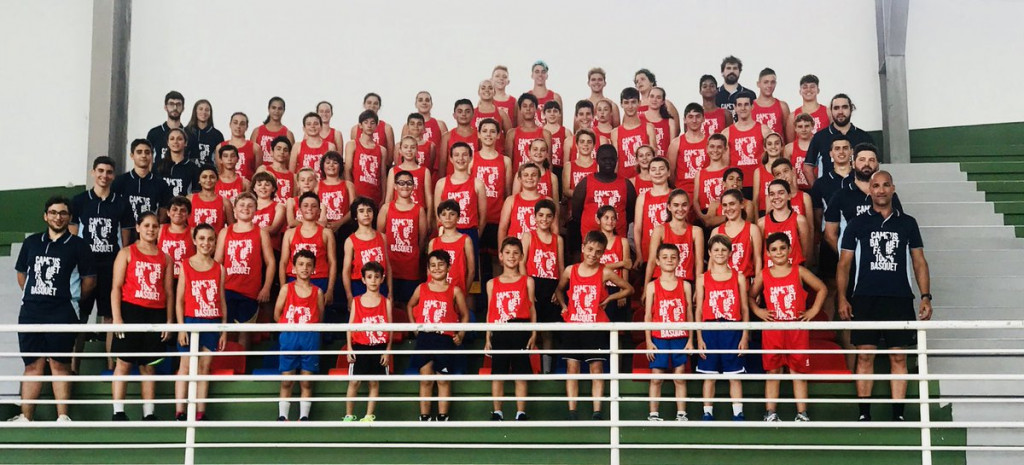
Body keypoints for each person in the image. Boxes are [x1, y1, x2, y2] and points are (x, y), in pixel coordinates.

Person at [837, 171, 932, 422]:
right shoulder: (857, 223)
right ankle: (864, 415)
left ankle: (898, 415)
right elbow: (844, 264)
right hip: (865, 298)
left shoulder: (907, 223)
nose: (880, 190)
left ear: (893, 189)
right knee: (865, 355)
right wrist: (842, 298)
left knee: (898, 356)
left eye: (885, 185)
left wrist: (925, 296)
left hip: (898, 298)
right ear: (869, 189)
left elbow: (919, 261)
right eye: (876, 186)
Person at [9, 196, 96, 422]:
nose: (58, 217)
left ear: (69, 217)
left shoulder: (79, 245)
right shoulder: (32, 242)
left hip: (62, 312)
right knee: (32, 365)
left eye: (63, 213)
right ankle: (25, 417)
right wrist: (36, 296)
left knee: (60, 364)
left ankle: (63, 417)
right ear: (45, 216)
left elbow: (89, 282)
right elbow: (22, 275)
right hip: (31, 312)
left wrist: (68, 299)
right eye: (54, 212)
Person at [554, 231, 633, 420]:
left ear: (603, 253)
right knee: (572, 368)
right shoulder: (570, 270)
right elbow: (559, 289)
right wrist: (564, 306)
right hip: (574, 326)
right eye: (589, 249)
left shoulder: (605, 271)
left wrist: (610, 298)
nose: (592, 254)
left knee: (596, 368)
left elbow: (629, 288)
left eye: (598, 252)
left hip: (595, 326)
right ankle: (572, 411)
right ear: (583, 248)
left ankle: (597, 411)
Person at [749, 232, 827, 422]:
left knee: (798, 371)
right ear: (768, 253)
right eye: (774, 249)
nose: (779, 252)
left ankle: (802, 413)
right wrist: (759, 312)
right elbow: (750, 296)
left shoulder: (799, 271)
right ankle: (770, 412)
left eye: (782, 248)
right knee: (773, 371)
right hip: (773, 331)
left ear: (790, 249)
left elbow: (822, 289)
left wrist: (812, 311)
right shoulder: (764, 274)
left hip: (796, 330)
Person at [69, 157, 133, 373]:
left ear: (114, 175)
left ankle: (110, 365)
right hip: (86, 267)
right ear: (93, 172)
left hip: (110, 266)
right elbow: (73, 236)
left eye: (109, 172)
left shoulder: (121, 203)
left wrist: (121, 264)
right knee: (81, 316)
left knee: (109, 316)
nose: (104, 176)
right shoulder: (79, 201)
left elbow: (125, 239)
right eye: (101, 171)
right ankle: (73, 367)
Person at [110, 212, 173, 421]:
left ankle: (149, 413)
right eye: (146, 225)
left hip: (155, 313)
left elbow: (169, 292)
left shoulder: (165, 257)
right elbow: (116, 287)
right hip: (130, 311)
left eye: (155, 226)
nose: (151, 229)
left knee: (149, 365)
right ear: (138, 227)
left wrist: (169, 321)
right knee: (124, 363)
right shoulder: (127, 252)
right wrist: (117, 319)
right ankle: (118, 411)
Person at [172, 224, 227, 422]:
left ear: (215, 242)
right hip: (190, 320)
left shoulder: (219, 268)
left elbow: (221, 299)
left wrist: (223, 329)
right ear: (195, 240)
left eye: (210, 239)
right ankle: (180, 411)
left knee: (205, 366)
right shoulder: (186, 265)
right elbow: (179, 300)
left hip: (212, 322)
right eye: (202, 238)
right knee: (185, 366)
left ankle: (200, 412)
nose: (206, 243)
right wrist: (181, 328)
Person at [407, 250, 471, 421]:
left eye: (441, 264)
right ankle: (424, 415)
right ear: (428, 269)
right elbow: (410, 305)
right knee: (426, 378)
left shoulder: (455, 291)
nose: (437, 268)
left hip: (445, 339)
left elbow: (464, 314)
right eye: (433, 265)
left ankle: (443, 415)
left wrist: (461, 333)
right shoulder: (421, 288)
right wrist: (414, 327)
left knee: (443, 379)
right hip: (425, 337)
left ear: (449, 267)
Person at [694, 234, 750, 421]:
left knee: (735, 375)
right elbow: (699, 309)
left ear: (730, 253)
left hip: (732, 328)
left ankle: (738, 412)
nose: (719, 253)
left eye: (723, 250)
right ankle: (707, 412)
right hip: (709, 329)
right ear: (709, 252)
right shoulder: (703, 278)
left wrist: (744, 336)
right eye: (716, 250)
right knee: (708, 374)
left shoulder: (739, 277)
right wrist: (699, 337)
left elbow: (744, 308)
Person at [485, 237, 537, 421]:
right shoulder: (492, 283)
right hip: (499, 329)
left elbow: (531, 308)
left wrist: (533, 332)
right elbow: (491, 310)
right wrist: (487, 337)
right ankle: (497, 411)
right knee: (497, 373)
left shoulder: (527, 281)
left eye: (516, 253)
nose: (511, 256)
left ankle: (520, 412)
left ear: (522, 256)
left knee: (520, 372)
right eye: (507, 252)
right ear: (500, 256)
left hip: (520, 328)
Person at [216, 193, 276, 350]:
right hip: (227, 288)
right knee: (226, 329)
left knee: (245, 331)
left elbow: (270, 262)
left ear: (256, 210)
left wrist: (266, 288)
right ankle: (226, 366)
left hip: (250, 290)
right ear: (234, 210)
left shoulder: (261, 232)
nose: (246, 208)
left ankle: (241, 366)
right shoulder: (225, 232)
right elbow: (217, 263)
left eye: (250, 206)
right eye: (242, 205)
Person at [824, 143, 904, 258]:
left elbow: (898, 226)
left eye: (871, 160)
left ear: (877, 165)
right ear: (853, 163)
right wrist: (848, 257)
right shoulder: (840, 195)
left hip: (883, 260)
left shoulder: (889, 195)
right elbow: (830, 234)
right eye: (862, 160)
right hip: (853, 263)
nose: (866, 164)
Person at [274, 249, 325, 422]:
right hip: (289, 338)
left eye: (309, 265)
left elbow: (320, 316)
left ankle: (304, 417)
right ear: (294, 268)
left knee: (307, 381)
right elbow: (277, 314)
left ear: (314, 269)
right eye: (301, 264)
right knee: (287, 380)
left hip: (309, 339)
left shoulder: (317, 292)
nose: (304, 268)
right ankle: (283, 416)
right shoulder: (286, 289)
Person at [644, 244, 694, 421]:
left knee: (679, 377)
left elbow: (689, 313)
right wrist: (649, 342)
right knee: (656, 377)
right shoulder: (652, 286)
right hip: (659, 337)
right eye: (664, 257)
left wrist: (691, 339)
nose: (669, 260)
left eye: (673, 257)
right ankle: (653, 414)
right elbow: (648, 315)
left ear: (679, 260)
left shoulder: (685, 285)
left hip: (680, 336)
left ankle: (681, 413)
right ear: (657, 261)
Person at [344, 261, 392, 423]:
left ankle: (369, 416)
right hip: (359, 346)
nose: (373, 280)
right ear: (363, 279)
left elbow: (391, 328)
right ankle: (349, 415)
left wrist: (387, 350)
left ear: (382, 279)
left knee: (373, 382)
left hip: (378, 347)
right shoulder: (356, 301)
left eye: (376, 277)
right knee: (354, 381)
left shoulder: (386, 302)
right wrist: (350, 348)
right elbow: (350, 327)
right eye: (369, 277)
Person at [520, 199, 563, 373]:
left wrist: (558, 289)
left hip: (551, 285)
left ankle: (546, 371)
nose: (544, 219)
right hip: (532, 284)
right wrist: (527, 287)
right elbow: (522, 263)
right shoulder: (528, 236)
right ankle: (528, 369)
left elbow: (560, 266)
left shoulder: (557, 239)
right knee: (530, 328)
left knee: (547, 332)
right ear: (535, 217)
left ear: (553, 218)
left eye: (548, 216)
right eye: (541, 215)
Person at [377, 170, 427, 310]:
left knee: (408, 304)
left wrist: (415, 255)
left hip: (410, 267)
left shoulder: (419, 210)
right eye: (401, 183)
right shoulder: (386, 208)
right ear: (395, 186)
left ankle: (408, 333)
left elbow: (422, 238)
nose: (405, 186)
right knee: (390, 303)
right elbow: (380, 236)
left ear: (413, 186)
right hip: (391, 264)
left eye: (409, 183)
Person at [803, 94, 875, 188]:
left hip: (858, 194)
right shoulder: (820, 137)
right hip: (829, 196)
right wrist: (819, 191)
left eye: (844, 107)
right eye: (836, 108)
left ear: (851, 109)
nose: (840, 112)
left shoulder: (864, 137)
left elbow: (874, 166)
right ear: (831, 111)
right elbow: (807, 168)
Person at [280, 192, 337, 302]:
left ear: (319, 211)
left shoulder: (327, 233)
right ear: (300, 210)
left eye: (314, 206)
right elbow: (283, 262)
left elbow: (332, 262)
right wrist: (283, 287)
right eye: (305, 205)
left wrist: (330, 289)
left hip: (320, 279)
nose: (309, 209)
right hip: (294, 278)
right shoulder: (290, 233)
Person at [433, 142, 487, 259]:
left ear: (470, 157)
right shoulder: (441, 184)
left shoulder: (478, 184)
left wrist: (476, 235)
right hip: (447, 233)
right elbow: (437, 216)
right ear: (451, 159)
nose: (461, 158)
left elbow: (482, 216)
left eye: (464, 155)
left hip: (470, 232)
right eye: (456, 155)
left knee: (471, 271)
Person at [573, 144, 636, 243]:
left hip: (617, 240)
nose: (608, 162)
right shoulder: (585, 182)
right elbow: (576, 213)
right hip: (591, 241)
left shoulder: (626, 184)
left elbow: (631, 213)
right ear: (597, 160)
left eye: (611, 159)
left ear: (617, 160)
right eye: (604, 159)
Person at [473, 119, 513, 271]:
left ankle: (496, 293)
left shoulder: (505, 161)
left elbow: (508, 192)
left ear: (498, 135)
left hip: (498, 219)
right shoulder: (472, 160)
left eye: (492, 131)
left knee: (499, 260)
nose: (488, 134)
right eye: (484, 131)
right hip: (477, 219)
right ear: (479, 134)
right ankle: (479, 295)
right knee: (478, 261)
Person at [644, 189, 705, 285]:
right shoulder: (660, 230)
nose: (680, 209)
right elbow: (652, 261)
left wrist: (698, 287)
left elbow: (699, 263)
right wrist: (646, 287)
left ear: (689, 206)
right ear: (669, 207)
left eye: (684, 205)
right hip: (661, 281)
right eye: (676, 205)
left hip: (685, 281)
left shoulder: (696, 231)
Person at [342, 198, 393, 303]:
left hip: (380, 284)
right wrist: (349, 295)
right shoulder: (350, 241)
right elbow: (346, 271)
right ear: (355, 216)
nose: (366, 214)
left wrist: (390, 291)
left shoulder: (382, 237)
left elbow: (387, 266)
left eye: (369, 210)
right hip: (359, 285)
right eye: (361, 211)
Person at [721, 95, 771, 192]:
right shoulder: (726, 133)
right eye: (739, 105)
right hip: (736, 185)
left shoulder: (764, 129)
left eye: (746, 104)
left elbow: (770, 158)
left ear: (752, 107)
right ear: (735, 108)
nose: (743, 108)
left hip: (759, 183)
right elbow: (725, 164)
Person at [758, 180, 811, 268]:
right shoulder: (762, 223)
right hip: (771, 273)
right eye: (772, 194)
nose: (776, 197)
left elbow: (806, 252)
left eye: (781, 193)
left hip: (794, 271)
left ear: (789, 196)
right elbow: (759, 254)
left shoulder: (799, 220)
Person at [428, 200, 475, 298]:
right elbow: (429, 271)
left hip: (458, 292)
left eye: (452, 214)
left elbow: (471, 270)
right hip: (437, 294)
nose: (448, 218)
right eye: (444, 214)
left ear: (458, 217)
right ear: (439, 218)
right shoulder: (433, 242)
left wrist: (464, 292)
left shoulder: (465, 240)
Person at [713, 189, 763, 278]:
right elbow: (712, 263)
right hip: (723, 285)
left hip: (746, 284)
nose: (728, 208)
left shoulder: (752, 229)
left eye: (732, 204)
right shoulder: (716, 231)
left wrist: (756, 286)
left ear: (742, 204)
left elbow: (757, 260)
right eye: (725, 205)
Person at [634, 157, 672, 269]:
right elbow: (637, 228)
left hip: (671, 251)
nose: (658, 172)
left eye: (661, 169)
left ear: (668, 172)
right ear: (649, 173)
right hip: (648, 251)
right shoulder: (642, 197)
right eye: (654, 169)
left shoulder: (674, 195)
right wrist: (639, 254)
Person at [611, 87, 656, 179]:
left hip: (646, 180)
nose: (630, 106)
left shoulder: (648, 127)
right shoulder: (615, 132)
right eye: (626, 103)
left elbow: (654, 157)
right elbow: (616, 161)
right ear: (621, 104)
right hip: (624, 180)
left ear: (639, 103)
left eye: (633, 102)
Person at [345, 110, 387, 206]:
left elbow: (383, 176)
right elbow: (347, 170)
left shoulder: (382, 150)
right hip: (357, 195)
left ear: (376, 126)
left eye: (372, 123)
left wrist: (384, 198)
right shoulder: (352, 144)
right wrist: (351, 194)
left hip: (375, 196)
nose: (369, 125)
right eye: (366, 122)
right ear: (360, 125)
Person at [597, 206, 632, 322]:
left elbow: (627, 268)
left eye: (613, 218)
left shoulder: (623, 242)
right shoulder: (595, 241)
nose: (610, 221)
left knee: (620, 326)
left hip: (618, 287)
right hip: (600, 287)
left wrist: (623, 291)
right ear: (598, 220)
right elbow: (595, 267)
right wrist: (621, 263)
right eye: (606, 218)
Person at [499, 163, 549, 244]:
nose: (530, 178)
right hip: (515, 250)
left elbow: (554, 230)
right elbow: (502, 229)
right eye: (526, 175)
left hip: (538, 249)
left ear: (539, 179)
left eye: (534, 175)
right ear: (519, 179)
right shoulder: (510, 200)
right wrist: (501, 251)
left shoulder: (547, 201)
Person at [668, 103, 711, 196]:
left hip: (705, 192)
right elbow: (670, 173)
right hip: (684, 193)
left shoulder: (710, 142)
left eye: (698, 116)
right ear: (684, 120)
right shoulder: (676, 143)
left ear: (703, 119)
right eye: (690, 117)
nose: (694, 120)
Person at [385, 136, 432, 210]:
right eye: (406, 147)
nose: (409, 150)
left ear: (417, 150)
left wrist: (428, 218)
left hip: (418, 213)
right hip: (398, 213)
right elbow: (389, 196)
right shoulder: (393, 171)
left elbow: (428, 198)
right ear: (400, 150)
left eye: (412, 147)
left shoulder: (425, 171)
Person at [506, 93, 551, 170]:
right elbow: (508, 163)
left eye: (531, 106)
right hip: (518, 178)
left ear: (536, 109)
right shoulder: (512, 134)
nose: (528, 109)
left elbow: (549, 163)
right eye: (524, 106)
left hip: (539, 179)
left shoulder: (545, 133)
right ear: (520, 109)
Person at [316, 151, 356, 234]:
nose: (331, 165)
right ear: (322, 166)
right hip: (322, 228)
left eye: (335, 162)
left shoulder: (348, 185)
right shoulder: (317, 186)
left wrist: (339, 223)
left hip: (344, 227)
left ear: (340, 166)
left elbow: (353, 209)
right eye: (327, 162)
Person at [215, 112, 261, 183]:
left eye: (242, 124)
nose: (238, 126)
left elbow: (258, 173)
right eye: (235, 123)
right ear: (230, 125)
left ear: (246, 127)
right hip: (227, 189)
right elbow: (220, 171)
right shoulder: (220, 147)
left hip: (247, 191)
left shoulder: (255, 147)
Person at [155, 128, 199, 198]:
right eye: (172, 139)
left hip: (182, 207)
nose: (175, 141)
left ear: (185, 143)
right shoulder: (157, 165)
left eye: (179, 139)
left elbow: (196, 194)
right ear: (168, 143)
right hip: (162, 208)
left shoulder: (193, 168)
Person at [251, 96, 295, 167]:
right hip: (261, 174)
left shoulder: (288, 134)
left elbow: (290, 160)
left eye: (280, 108)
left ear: (284, 110)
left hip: (280, 175)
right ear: (268, 109)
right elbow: (251, 157)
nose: (276, 111)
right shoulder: (257, 131)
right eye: (273, 108)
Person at [159, 196, 195, 280]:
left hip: (185, 278)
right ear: (168, 212)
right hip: (163, 277)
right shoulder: (160, 230)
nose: (178, 212)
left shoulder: (193, 232)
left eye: (183, 210)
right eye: (174, 209)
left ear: (189, 214)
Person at [349, 92, 395, 159]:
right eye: (369, 103)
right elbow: (353, 151)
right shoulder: (355, 129)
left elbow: (390, 154)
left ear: (379, 106)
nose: (372, 106)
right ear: (364, 105)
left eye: (376, 103)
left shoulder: (387, 128)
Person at [250, 171, 287, 254]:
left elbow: (273, 229)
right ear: (254, 188)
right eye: (259, 184)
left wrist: (250, 231)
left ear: (273, 188)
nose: (263, 187)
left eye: (267, 184)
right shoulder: (248, 207)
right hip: (251, 249)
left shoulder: (279, 207)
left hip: (272, 250)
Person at [692, 134, 730, 214]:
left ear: (725, 149)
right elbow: (695, 201)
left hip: (724, 214)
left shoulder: (730, 171)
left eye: (719, 147)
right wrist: (702, 218)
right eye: (712, 146)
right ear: (707, 148)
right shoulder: (700, 174)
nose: (715, 150)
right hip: (705, 214)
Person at [189, 165, 232, 235]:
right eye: (204, 177)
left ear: (217, 179)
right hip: (193, 244)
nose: (208, 180)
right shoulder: (190, 199)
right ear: (199, 180)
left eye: (212, 177)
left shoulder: (225, 202)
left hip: (216, 244)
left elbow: (231, 229)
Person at [440, 99, 479, 176]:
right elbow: (442, 164)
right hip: (452, 181)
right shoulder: (447, 137)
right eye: (460, 111)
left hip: (473, 180)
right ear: (454, 115)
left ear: (473, 114)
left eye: (467, 111)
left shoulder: (479, 135)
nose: (463, 114)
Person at [291, 112, 337, 178]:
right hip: (304, 187)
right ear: (304, 128)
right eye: (309, 124)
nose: (312, 126)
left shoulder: (330, 146)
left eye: (316, 124)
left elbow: (334, 172)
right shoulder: (297, 146)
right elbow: (292, 173)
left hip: (323, 186)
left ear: (321, 127)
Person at [786, 74, 830, 141]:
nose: (808, 90)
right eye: (805, 87)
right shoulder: (793, 116)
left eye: (812, 87)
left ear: (818, 90)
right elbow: (790, 143)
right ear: (800, 91)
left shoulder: (828, 112)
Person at [254, 136, 295, 204]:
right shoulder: (263, 169)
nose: (282, 152)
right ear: (271, 151)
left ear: (289, 154)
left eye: (285, 150)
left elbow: (293, 200)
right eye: (278, 149)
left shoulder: (293, 177)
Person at [640, 87, 679, 158]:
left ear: (663, 101)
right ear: (648, 98)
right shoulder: (639, 118)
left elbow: (672, 150)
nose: (654, 100)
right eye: (652, 96)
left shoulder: (670, 122)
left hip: (663, 164)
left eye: (658, 97)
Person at [751, 69, 791, 138]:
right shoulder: (750, 106)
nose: (769, 85)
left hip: (778, 147)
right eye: (766, 82)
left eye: (772, 82)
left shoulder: (782, 106)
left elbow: (788, 134)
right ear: (758, 84)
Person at [148, 90, 185, 163]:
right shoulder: (154, 133)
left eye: (178, 104)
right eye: (171, 104)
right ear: (165, 107)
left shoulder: (188, 134)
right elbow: (148, 159)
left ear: (183, 108)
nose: (175, 108)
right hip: (159, 173)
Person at [184, 99, 225, 166]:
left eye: (207, 110)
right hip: (188, 172)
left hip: (208, 173)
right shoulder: (185, 132)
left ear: (210, 113)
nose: (204, 112)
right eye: (201, 109)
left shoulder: (217, 135)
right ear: (195, 111)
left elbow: (221, 159)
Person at [753, 133, 786, 213]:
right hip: (763, 212)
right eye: (770, 144)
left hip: (783, 212)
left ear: (782, 147)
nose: (773, 147)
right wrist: (757, 220)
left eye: (777, 143)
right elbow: (755, 200)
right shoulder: (758, 171)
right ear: (765, 148)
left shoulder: (788, 169)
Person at [784, 113, 816, 190]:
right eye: (800, 126)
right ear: (795, 128)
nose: (804, 129)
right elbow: (786, 171)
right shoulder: (789, 148)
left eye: (807, 126)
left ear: (812, 126)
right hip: (797, 189)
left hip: (814, 188)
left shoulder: (818, 145)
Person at [562, 129, 598, 198]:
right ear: (576, 145)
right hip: (574, 207)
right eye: (582, 142)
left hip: (593, 206)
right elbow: (566, 191)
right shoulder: (569, 166)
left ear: (594, 145)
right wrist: (585, 196)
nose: (585, 144)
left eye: (589, 142)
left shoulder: (598, 166)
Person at [527, 60, 563, 127]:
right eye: (537, 72)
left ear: (547, 76)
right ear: (532, 75)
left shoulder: (555, 97)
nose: (540, 74)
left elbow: (559, 127)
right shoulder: (526, 98)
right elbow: (520, 126)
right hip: (531, 136)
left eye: (543, 72)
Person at [404, 113, 439, 179]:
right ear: (407, 126)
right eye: (412, 124)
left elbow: (430, 168)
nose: (416, 126)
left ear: (424, 127)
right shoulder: (399, 146)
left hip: (422, 182)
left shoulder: (430, 146)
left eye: (419, 124)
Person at [541, 101, 569, 178]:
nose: (552, 114)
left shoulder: (566, 131)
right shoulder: (540, 131)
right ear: (543, 114)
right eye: (549, 111)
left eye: (555, 111)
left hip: (561, 168)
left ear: (559, 114)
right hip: (544, 167)